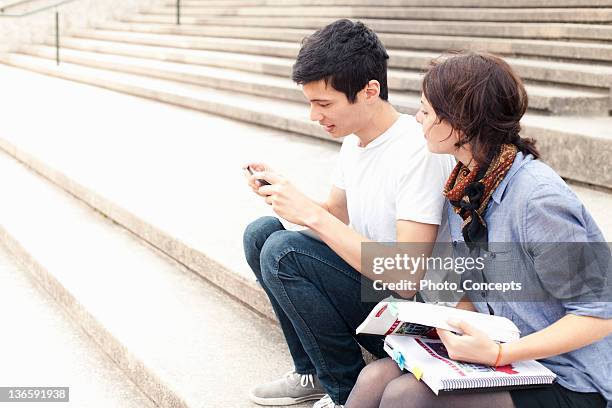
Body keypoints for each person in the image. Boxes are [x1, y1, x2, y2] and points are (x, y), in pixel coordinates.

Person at [345, 52, 612, 408]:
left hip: (572, 377)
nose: (417, 118)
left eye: (426, 110)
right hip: (508, 353)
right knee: (375, 376)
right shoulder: (466, 185)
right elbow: (483, 287)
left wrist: (500, 353)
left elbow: (600, 312)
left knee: (407, 395)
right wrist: (433, 327)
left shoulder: (538, 199)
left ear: (460, 123)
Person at [242, 19, 454, 408]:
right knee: (262, 233)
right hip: (373, 287)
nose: (314, 115)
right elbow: (334, 216)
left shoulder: (416, 152)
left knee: (284, 251)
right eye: (310, 103)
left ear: (369, 91)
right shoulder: (356, 143)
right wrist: (286, 196)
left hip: (416, 314)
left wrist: (310, 215)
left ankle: (346, 391)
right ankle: (311, 372)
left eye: (324, 104)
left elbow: (407, 275)